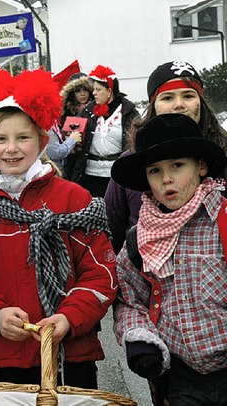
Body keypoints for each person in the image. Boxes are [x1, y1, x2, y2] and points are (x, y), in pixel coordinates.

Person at [0, 67, 117, 388]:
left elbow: (100, 273)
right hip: (2, 356)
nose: (12, 148)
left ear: (42, 140)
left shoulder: (74, 199)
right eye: (1, 139)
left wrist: (69, 317)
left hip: (71, 355)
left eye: (23, 137)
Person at [111, 113, 227, 406]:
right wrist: (140, 337)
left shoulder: (223, 220)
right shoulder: (141, 237)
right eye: (154, 170)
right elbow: (129, 298)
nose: (166, 179)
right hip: (181, 376)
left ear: (201, 166)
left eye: (177, 166)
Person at [105, 61, 227, 254]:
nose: (179, 104)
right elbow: (111, 234)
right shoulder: (132, 164)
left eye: (188, 95)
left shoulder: (224, 155)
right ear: (154, 106)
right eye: (168, 97)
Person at [64, 65, 140, 197]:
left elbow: (136, 142)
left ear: (109, 91)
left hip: (117, 174)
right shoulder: (87, 111)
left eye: (98, 90)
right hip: (90, 174)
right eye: (94, 89)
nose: (93, 93)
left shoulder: (128, 112)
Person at [46, 72, 92, 170]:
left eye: (85, 90)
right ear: (72, 93)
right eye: (78, 91)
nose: (82, 94)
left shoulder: (96, 110)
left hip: (91, 159)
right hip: (70, 160)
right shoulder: (64, 113)